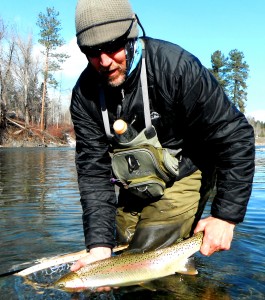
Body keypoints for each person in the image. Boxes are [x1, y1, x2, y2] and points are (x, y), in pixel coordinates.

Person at [70, 0, 255, 277]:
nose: (104, 62)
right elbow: (93, 173)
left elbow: (236, 136)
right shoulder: (84, 96)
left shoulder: (176, 68)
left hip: (188, 169)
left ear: (132, 36)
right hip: (136, 179)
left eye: (112, 47)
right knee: (122, 243)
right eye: (92, 52)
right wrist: (98, 247)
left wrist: (225, 216)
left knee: (150, 250)